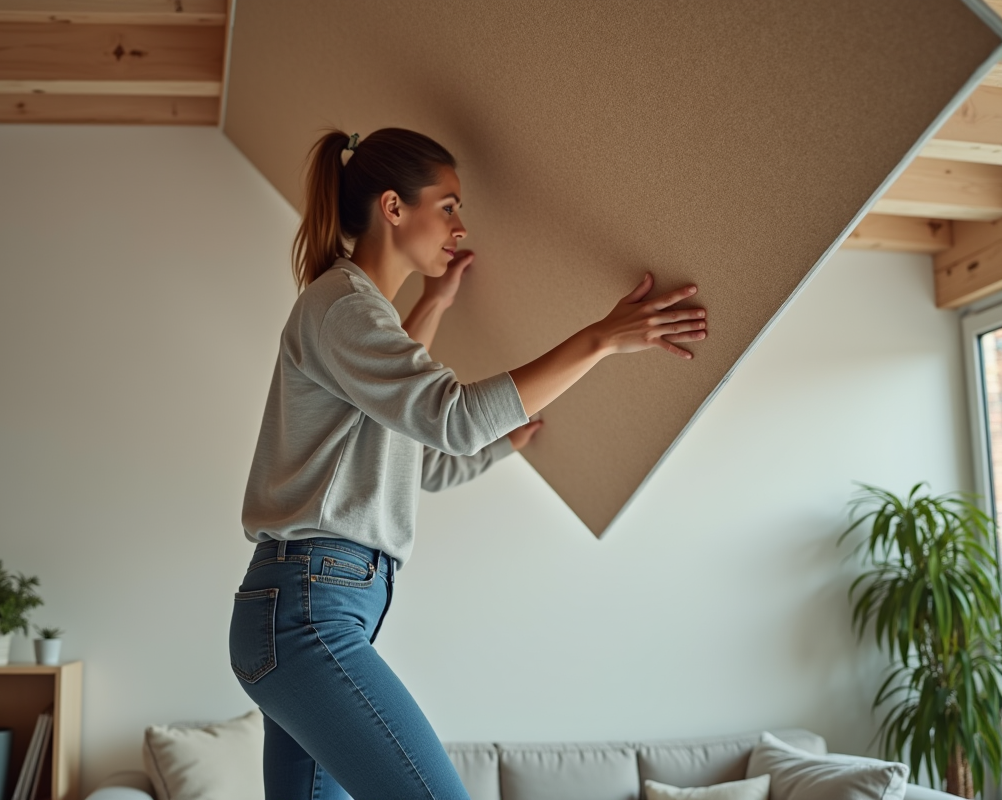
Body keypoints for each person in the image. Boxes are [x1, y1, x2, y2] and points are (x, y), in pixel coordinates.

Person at [230, 127, 708, 799]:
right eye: (449, 206)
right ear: (394, 207)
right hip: (311, 609)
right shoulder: (343, 306)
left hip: (305, 606)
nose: (460, 226)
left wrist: (440, 317)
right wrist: (602, 338)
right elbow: (450, 419)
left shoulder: (355, 313)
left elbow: (421, 460)